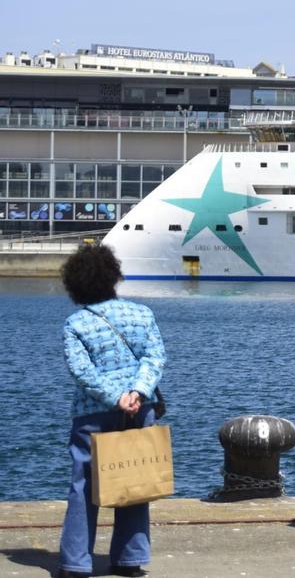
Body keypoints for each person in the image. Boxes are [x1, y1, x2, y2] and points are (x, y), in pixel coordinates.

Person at [56, 244, 165, 578]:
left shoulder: (76, 323)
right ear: (113, 277)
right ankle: (130, 560)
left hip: (93, 412)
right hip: (140, 408)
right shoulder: (142, 314)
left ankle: (77, 563)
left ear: (75, 285)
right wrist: (136, 392)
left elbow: (82, 372)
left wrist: (116, 397)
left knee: (83, 486)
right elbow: (155, 358)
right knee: (136, 480)